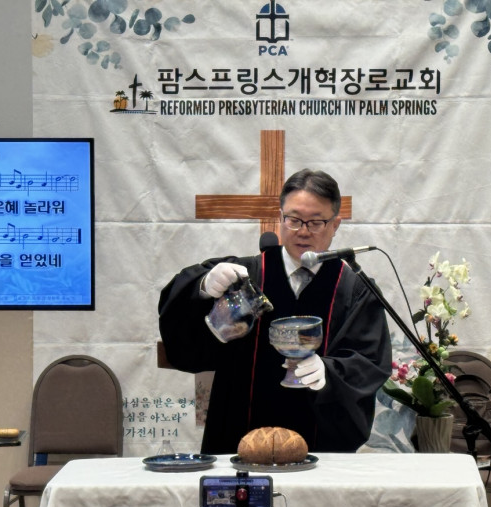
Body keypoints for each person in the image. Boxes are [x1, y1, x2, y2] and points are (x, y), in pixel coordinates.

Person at [158, 169, 392, 455]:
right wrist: (203, 287)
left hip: (321, 445)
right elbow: (183, 331)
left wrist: (329, 372)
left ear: (335, 224)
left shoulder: (354, 289)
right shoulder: (244, 275)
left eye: (316, 222)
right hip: (239, 438)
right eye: (294, 219)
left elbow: (370, 360)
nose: (303, 231)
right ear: (280, 218)